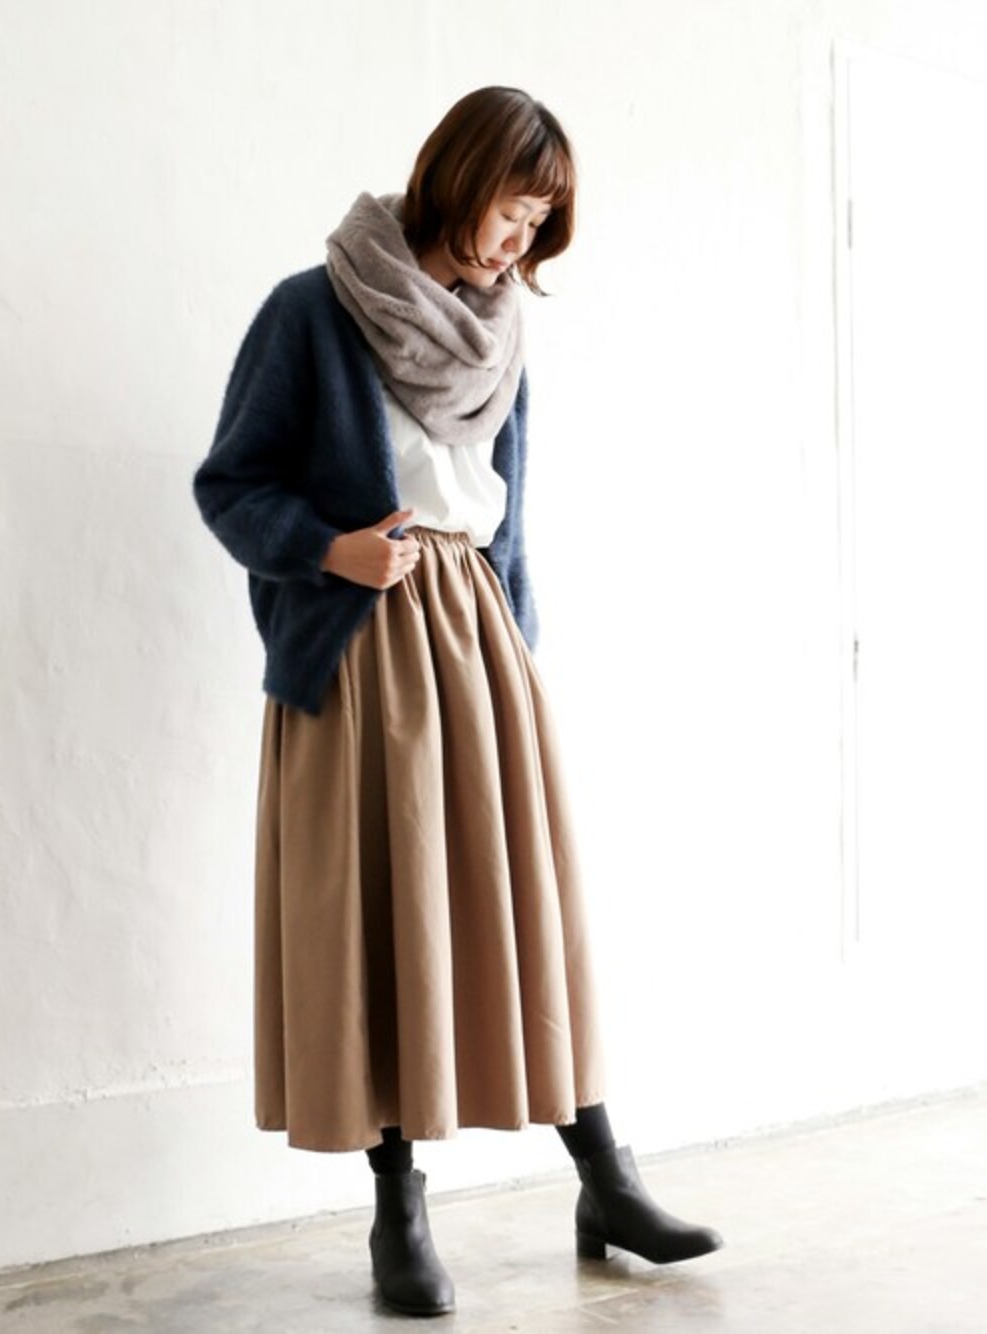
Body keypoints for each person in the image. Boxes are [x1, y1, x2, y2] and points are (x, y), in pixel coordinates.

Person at [192, 85, 723, 1318]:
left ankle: (606, 1177)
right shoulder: (312, 309)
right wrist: (329, 551)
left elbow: (507, 509)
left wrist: (518, 651)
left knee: (527, 912)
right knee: (385, 920)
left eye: (540, 223)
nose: (517, 241)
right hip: (359, 641)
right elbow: (230, 484)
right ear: (458, 177)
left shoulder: (501, 336)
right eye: (511, 209)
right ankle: (399, 1213)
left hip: (479, 636)